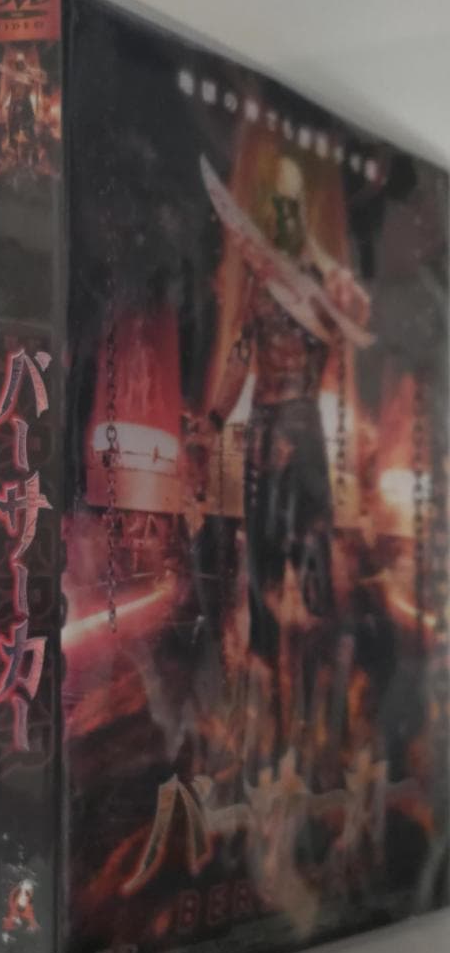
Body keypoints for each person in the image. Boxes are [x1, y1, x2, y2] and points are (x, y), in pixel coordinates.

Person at [190, 155, 370, 772]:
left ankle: (324, 739)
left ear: (302, 219)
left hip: (303, 436)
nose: (282, 221)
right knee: (262, 583)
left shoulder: (327, 291)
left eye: (291, 211)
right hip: (264, 438)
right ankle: (267, 739)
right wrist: (216, 419)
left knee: (315, 586)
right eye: (277, 212)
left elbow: (349, 328)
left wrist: (330, 293)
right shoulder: (262, 288)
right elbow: (242, 356)